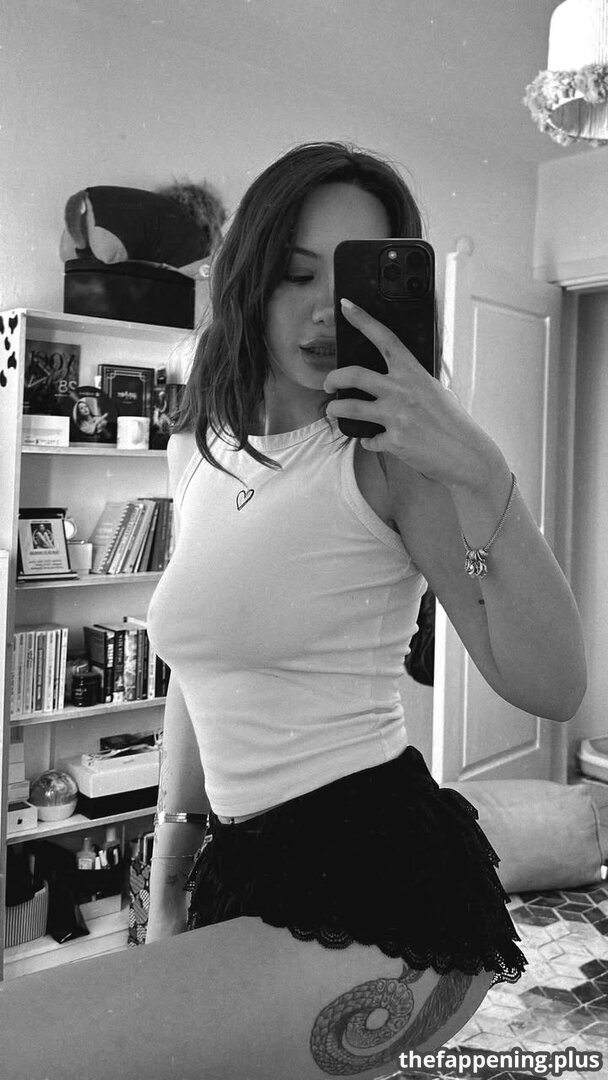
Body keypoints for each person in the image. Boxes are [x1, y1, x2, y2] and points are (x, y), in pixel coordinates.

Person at [145, 141, 586, 1078]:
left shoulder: (388, 463)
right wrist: (168, 882)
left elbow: (553, 685)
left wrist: (479, 466)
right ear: (249, 281)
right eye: (295, 273)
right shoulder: (200, 451)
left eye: (351, 280)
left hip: (374, 865)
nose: (324, 311)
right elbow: (197, 675)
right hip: (239, 859)